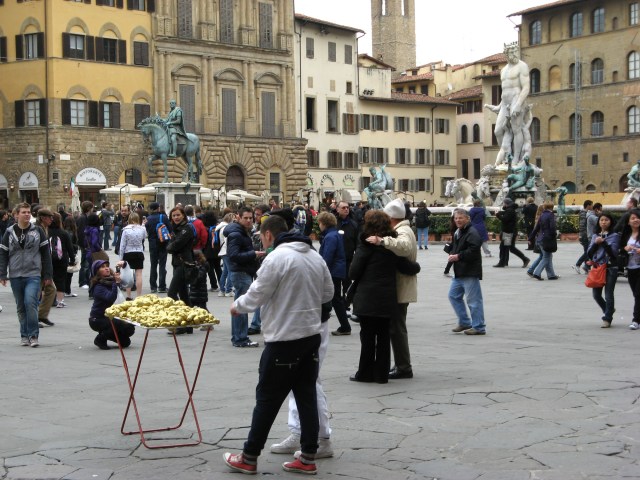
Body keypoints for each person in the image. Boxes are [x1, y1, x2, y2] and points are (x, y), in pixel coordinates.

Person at [223, 215, 334, 476]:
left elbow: (257, 293)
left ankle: (249, 457)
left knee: (267, 399)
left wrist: (237, 306)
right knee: (306, 395)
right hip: (310, 336)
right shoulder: (314, 256)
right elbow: (328, 293)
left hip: (284, 338)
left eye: (262, 237)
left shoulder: (277, 257)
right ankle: (308, 456)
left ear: (268, 235)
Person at [365, 198, 418, 379]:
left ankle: (404, 367)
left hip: (399, 286)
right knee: (395, 327)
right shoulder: (402, 228)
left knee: (397, 328)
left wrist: (382, 241)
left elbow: (403, 247)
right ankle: (402, 365)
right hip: (397, 286)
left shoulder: (403, 230)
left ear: (392, 217)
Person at [349, 210, 399, 384]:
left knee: (368, 337)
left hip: (368, 297)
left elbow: (353, 272)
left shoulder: (365, 245)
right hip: (387, 297)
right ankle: (381, 375)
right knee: (384, 336)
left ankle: (365, 373)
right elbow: (410, 266)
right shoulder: (392, 244)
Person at [0, 203, 53, 347]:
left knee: (30, 303)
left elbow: (46, 254)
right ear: (16, 215)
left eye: (29, 212)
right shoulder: (9, 232)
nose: (27, 214)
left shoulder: (38, 231)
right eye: (24, 212)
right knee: (20, 306)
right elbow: (3, 253)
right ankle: (24, 335)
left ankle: (33, 335)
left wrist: (48, 274)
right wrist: (3, 274)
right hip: (16, 274)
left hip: (33, 273)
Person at [225, 206, 265, 347]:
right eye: (245, 218)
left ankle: (238, 336)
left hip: (242, 271)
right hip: (241, 272)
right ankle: (240, 338)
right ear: (238, 217)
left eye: (250, 218)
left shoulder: (241, 231)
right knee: (241, 307)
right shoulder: (236, 234)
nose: (249, 221)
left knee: (239, 306)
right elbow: (233, 255)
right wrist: (253, 254)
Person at [484, 42, 530, 166]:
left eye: (516, 51)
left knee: (516, 129)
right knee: (498, 131)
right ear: (506, 54)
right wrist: (499, 106)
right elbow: (505, 90)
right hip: (505, 103)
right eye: (512, 52)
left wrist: (519, 104)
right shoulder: (503, 70)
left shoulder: (522, 66)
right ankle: (506, 154)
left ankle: (515, 159)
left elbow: (526, 87)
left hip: (517, 100)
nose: (515, 54)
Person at [448, 208, 486, 336]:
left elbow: (474, 250)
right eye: (456, 218)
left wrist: (458, 256)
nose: (458, 220)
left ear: (467, 219)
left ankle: (479, 327)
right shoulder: (459, 231)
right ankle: (464, 322)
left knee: (474, 300)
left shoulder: (471, 232)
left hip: (469, 271)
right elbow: (459, 247)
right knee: (453, 296)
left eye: (460, 218)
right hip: (460, 271)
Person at [88, 259, 135, 350]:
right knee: (121, 324)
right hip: (98, 319)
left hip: (111, 316)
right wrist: (116, 283)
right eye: (102, 267)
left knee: (126, 341)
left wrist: (124, 265)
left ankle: (108, 333)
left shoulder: (112, 279)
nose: (106, 268)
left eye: (107, 266)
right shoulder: (98, 287)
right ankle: (100, 339)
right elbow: (110, 298)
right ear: (97, 272)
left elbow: (128, 282)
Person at [317, 212, 350, 336]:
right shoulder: (333, 234)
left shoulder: (330, 237)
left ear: (324, 223)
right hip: (337, 270)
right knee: (336, 298)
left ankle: (345, 326)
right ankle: (344, 325)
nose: (319, 225)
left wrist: (321, 271)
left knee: (336, 298)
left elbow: (327, 257)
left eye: (319, 223)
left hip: (333, 271)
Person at [587, 213, 620, 328]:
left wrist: (604, 243)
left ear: (610, 222)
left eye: (606, 220)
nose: (603, 222)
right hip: (598, 268)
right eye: (601, 220)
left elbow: (614, 253)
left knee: (608, 294)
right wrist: (596, 243)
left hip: (610, 267)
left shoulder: (615, 236)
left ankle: (607, 318)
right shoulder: (595, 235)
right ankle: (608, 309)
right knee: (596, 295)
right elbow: (589, 253)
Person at [166, 206, 195, 333]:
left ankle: (182, 322)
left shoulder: (186, 228)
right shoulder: (176, 229)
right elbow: (172, 244)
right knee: (183, 294)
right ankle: (188, 324)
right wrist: (171, 245)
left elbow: (175, 245)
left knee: (171, 293)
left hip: (184, 263)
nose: (176, 217)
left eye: (178, 215)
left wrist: (170, 247)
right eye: (173, 216)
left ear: (183, 215)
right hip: (178, 263)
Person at [35, 209, 57, 326]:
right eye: (50, 217)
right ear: (43, 218)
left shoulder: (45, 228)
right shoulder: (37, 229)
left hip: (44, 266)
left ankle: (42, 315)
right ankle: (34, 318)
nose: (51, 219)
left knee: (51, 289)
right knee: (36, 293)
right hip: (38, 267)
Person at [49, 212, 76, 309]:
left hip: (48, 259)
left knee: (49, 278)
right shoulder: (63, 233)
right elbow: (70, 248)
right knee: (61, 279)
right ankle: (60, 301)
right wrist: (72, 259)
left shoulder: (46, 232)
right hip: (62, 259)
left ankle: (50, 299)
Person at [494, 198, 530, 268]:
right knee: (508, 247)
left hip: (508, 232)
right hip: (510, 231)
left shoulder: (510, 210)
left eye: (504, 203)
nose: (503, 205)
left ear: (506, 203)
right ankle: (504, 262)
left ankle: (503, 262)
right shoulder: (510, 209)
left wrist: (498, 215)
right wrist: (500, 213)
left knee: (505, 247)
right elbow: (505, 212)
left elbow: (504, 219)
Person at [527, 200, 559, 280]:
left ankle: (551, 275)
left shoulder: (542, 215)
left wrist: (530, 238)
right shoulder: (551, 215)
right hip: (547, 239)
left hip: (540, 238)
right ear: (552, 207)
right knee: (546, 257)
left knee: (547, 256)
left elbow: (536, 228)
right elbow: (552, 227)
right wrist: (554, 234)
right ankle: (537, 273)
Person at [619, 209, 640, 330]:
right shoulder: (626, 235)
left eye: (637, 217)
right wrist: (625, 248)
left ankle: (636, 320)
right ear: (628, 222)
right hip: (631, 268)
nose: (636, 220)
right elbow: (620, 249)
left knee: (638, 294)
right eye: (633, 218)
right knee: (636, 294)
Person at [119, 212, 147, 300]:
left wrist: (121, 258)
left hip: (128, 253)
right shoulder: (142, 229)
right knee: (139, 275)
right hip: (139, 252)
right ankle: (138, 296)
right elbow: (144, 237)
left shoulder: (125, 230)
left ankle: (129, 295)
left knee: (128, 275)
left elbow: (122, 245)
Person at [145, 202, 171, 294]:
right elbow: (170, 228)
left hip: (152, 244)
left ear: (151, 209)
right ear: (158, 208)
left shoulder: (148, 219)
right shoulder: (163, 217)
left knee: (153, 265)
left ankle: (153, 286)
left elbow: (146, 231)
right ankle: (162, 286)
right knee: (162, 265)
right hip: (162, 243)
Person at [216, 212, 234, 297]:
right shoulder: (227, 228)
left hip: (223, 251)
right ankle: (228, 290)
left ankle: (222, 289)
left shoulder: (220, 227)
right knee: (230, 271)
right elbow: (228, 241)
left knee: (225, 271)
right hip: (227, 251)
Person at [76, 201, 94, 289]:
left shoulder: (84, 217)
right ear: (88, 208)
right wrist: (85, 244)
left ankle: (85, 280)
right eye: (92, 208)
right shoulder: (83, 218)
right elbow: (81, 232)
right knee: (85, 263)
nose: (93, 209)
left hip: (86, 243)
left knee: (86, 263)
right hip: (85, 244)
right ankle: (83, 281)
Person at [573, 200, 594, 273]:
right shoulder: (583, 214)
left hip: (585, 235)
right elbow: (582, 226)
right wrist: (584, 235)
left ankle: (587, 267)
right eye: (591, 205)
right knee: (588, 252)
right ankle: (578, 264)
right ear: (588, 205)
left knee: (587, 251)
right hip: (585, 235)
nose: (592, 206)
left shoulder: (585, 213)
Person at [63, 216, 79, 298]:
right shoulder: (70, 233)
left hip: (67, 254)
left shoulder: (66, 231)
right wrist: (76, 247)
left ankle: (67, 290)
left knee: (67, 273)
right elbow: (69, 245)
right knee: (69, 273)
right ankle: (67, 290)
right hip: (69, 254)